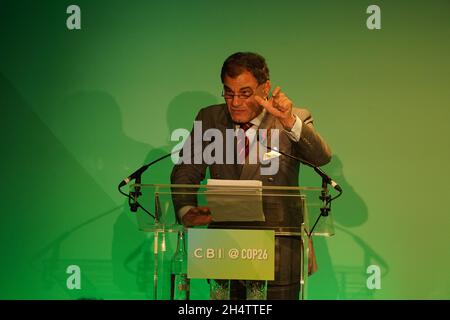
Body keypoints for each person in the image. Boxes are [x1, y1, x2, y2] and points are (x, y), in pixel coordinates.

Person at [171, 52, 332, 299]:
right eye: (228, 92)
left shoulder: (291, 118)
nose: (235, 102)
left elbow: (320, 157)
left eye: (245, 93)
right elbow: (186, 169)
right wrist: (186, 210)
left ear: (264, 88)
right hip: (223, 248)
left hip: (278, 248)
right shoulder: (210, 118)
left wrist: (287, 119)